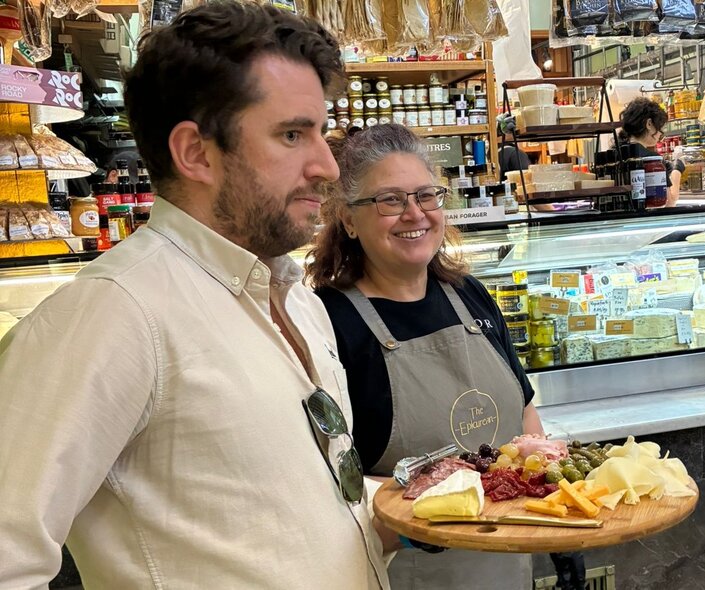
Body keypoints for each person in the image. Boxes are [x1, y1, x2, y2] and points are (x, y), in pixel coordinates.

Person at [0, 3, 389, 588]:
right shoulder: (113, 315)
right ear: (196, 153)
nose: (328, 165)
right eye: (292, 134)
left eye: (322, 133)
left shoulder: (295, 297)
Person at [306, 123, 544, 589]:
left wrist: (545, 501)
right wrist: (423, 526)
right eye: (390, 200)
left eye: (426, 196)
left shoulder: (469, 294)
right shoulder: (329, 323)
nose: (414, 214)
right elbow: (325, 487)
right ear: (349, 220)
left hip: (505, 563)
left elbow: (524, 412)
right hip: (409, 571)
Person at [619, 97, 686, 207]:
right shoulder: (651, 160)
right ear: (649, 124)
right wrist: (677, 169)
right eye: (660, 128)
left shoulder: (615, 152)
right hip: (643, 219)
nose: (660, 134)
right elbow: (669, 201)